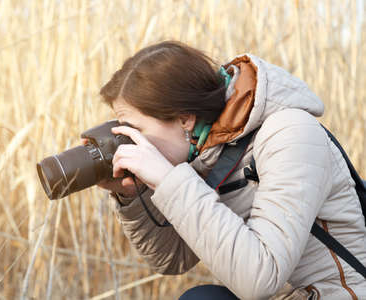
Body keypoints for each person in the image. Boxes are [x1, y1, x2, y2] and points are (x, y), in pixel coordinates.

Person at [95, 40, 366, 299]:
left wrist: (169, 181)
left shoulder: (290, 133)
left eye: (136, 130)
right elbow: (173, 258)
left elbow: (260, 279)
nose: (132, 142)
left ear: (185, 119)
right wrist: (133, 196)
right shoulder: (203, 152)